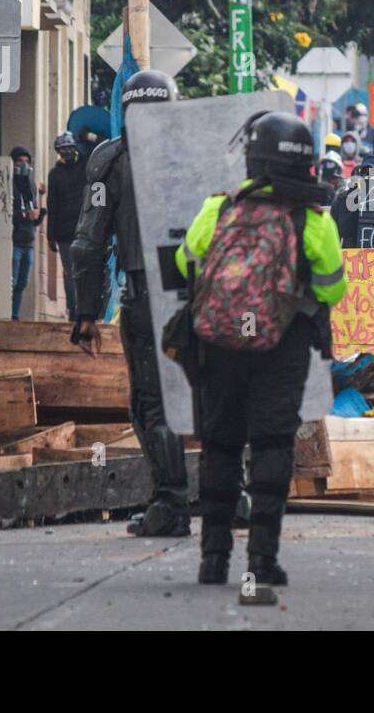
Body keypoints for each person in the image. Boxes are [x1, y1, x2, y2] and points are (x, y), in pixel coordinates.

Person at [181, 110, 345, 589]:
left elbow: (185, 256)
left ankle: (213, 559)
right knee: (273, 444)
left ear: (253, 158)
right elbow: (333, 288)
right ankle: (262, 559)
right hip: (282, 345)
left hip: (219, 344)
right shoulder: (313, 220)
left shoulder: (220, 208)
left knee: (221, 444)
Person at [70, 70, 191, 538]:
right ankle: (233, 495)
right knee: (216, 394)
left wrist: (86, 312)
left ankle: (172, 503)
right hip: (203, 295)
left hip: (145, 295)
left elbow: (86, 244)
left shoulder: (111, 158)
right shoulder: (199, 153)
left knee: (152, 403)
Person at [46, 131, 86, 320]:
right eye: (63, 150)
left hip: (86, 230)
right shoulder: (54, 175)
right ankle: (74, 310)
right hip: (64, 233)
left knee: (85, 271)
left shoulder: (86, 168)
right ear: (58, 151)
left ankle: (86, 308)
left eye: (70, 148)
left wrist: (88, 135)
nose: (67, 152)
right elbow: (51, 204)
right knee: (70, 273)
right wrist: (50, 234)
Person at [9, 146, 45, 321]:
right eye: (19, 162)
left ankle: (15, 314)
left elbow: (34, 211)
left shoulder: (30, 184)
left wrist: (39, 213)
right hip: (14, 240)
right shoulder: (9, 183)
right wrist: (24, 215)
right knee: (12, 281)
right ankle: (9, 314)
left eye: (26, 162)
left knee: (22, 283)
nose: (23, 165)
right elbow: (6, 213)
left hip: (28, 241)